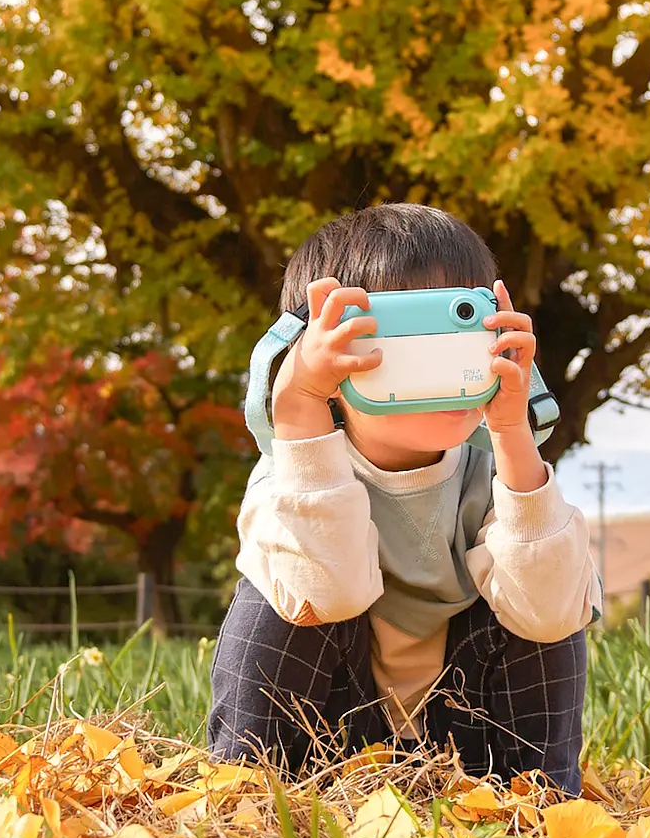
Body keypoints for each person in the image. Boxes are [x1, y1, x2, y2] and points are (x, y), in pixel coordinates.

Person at [207, 204, 600, 795]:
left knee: (544, 571)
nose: (437, 360)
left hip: (468, 750)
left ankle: (540, 805)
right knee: (286, 583)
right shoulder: (288, 475)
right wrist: (297, 408)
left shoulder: (493, 475)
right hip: (322, 745)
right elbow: (324, 593)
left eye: (459, 327)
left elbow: (550, 616)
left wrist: (515, 436)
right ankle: (248, 793)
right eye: (403, 334)